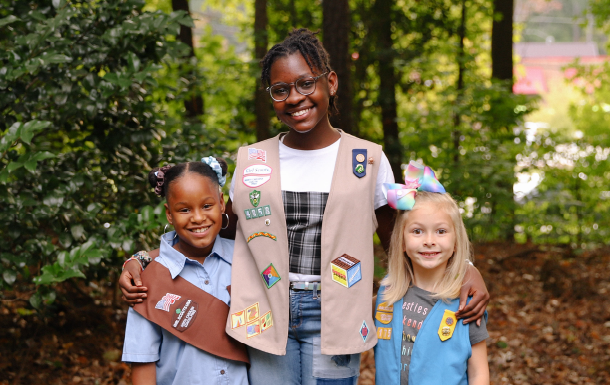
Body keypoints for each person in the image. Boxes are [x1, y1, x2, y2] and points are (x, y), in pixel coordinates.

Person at [120, 28, 489, 385]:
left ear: (330, 82)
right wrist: (144, 259)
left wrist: (464, 269)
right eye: (280, 90)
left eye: (305, 83)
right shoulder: (253, 162)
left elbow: (400, 239)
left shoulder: (366, 159)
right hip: (264, 310)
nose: (295, 98)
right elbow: (212, 229)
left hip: (337, 312)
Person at [122, 158, 249, 385]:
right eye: (184, 210)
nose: (198, 218)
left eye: (207, 206)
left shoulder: (245, 259)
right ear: (169, 214)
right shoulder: (148, 279)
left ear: (221, 203)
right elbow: (143, 362)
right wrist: (137, 261)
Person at [374, 161, 489, 385]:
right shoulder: (386, 296)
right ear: (402, 242)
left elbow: (479, 373)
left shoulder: (467, 304)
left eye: (441, 231)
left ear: (456, 242)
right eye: (417, 231)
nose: (429, 241)